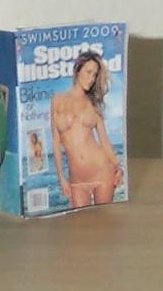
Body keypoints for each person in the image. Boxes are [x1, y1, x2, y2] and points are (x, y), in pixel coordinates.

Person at [51, 51, 123, 208]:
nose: (91, 79)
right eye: (88, 72)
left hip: (102, 173)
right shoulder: (57, 100)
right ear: (77, 70)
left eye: (94, 75)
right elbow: (56, 142)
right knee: (80, 223)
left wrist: (118, 167)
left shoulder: (93, 103)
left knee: (103, 221)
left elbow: (104, 141)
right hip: (77, 180)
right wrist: (61, 178)